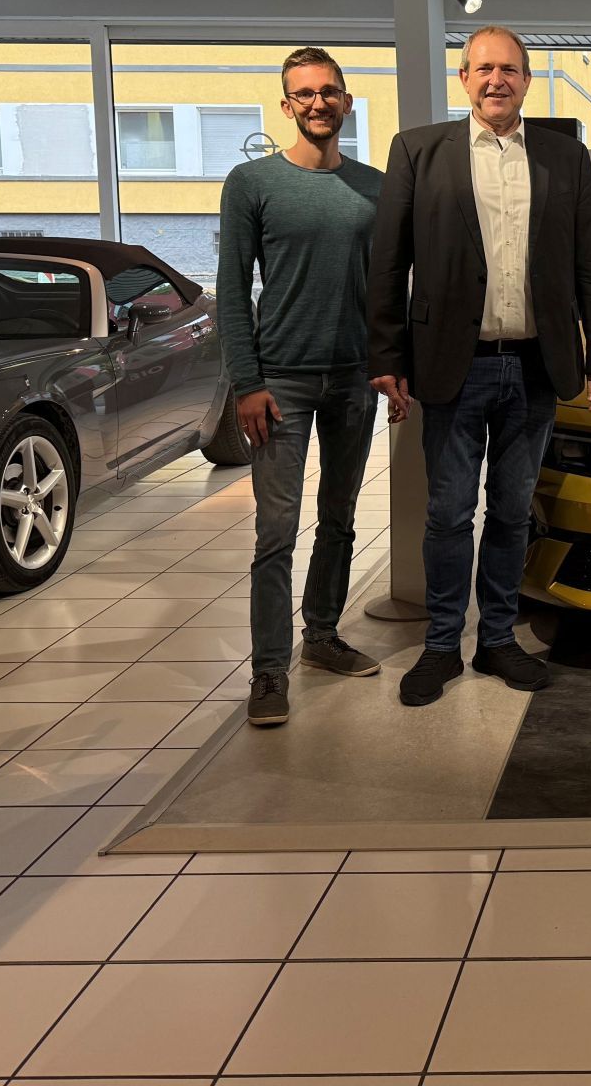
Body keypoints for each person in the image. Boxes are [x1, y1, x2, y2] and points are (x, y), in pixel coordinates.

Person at [367, 25, 591, 706]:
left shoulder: (566, 159)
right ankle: (443, 646)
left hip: (537, 365)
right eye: (482, 69)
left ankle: (498, 641)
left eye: (508, 69)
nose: (495, 80)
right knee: (448, 513)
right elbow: (388, 263)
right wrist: (386, 355)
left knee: (510, 512)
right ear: (464, 79)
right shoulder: (419, 151)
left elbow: (590, 265)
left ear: (527, 80)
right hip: (454, 365)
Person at [216, 47, 386, 727]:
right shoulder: (251, 182)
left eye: (330, 92)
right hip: (280, 381)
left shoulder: (375, 187)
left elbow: (385, 291)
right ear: (287, 105)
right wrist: (246, 383)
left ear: (346, 101)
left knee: (342, 519)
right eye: (304, 94)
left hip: (353, 377)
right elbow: (232, 290)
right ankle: (267, 671)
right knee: (276, 530)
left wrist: (387, 366)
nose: (319, 103)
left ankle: (320, 636)